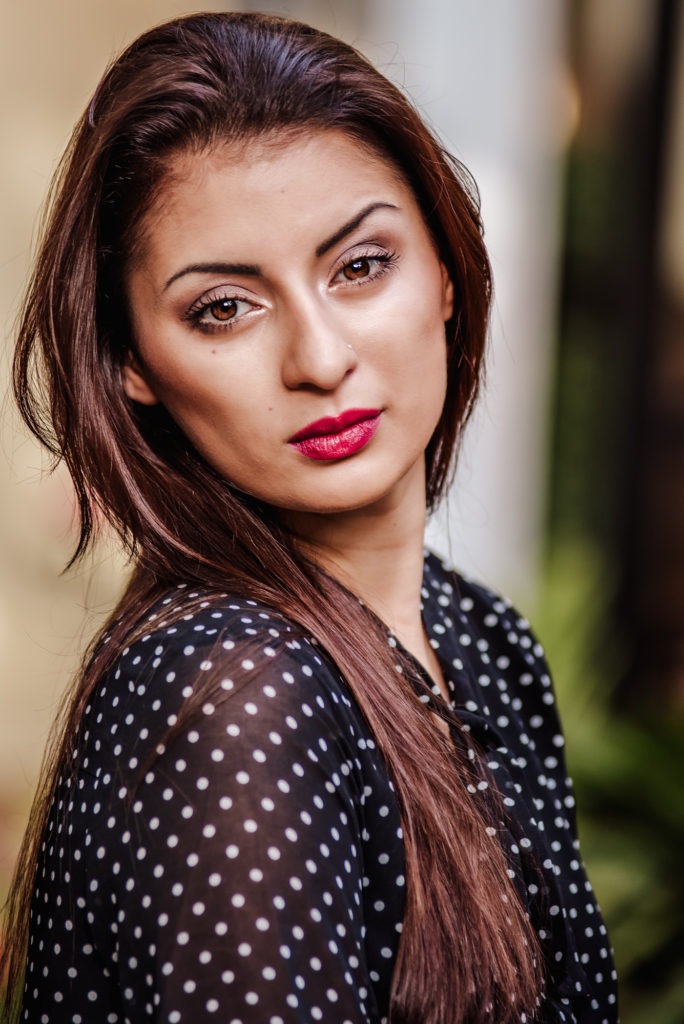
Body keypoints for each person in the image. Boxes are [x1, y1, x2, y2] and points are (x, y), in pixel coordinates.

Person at [1, 11, 618, 1024]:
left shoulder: (485, 644)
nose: (321, 359)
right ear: (132, 367)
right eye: (224, 308)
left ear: (449, 271)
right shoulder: (238, 690)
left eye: (361, 265)